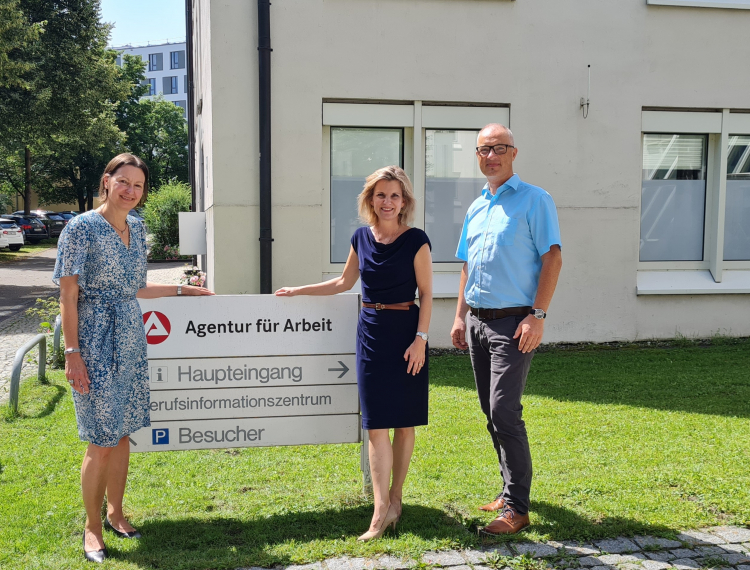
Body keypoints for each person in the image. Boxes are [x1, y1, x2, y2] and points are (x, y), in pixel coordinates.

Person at [54, 153, 213, 563]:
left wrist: (184, 291)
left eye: (138, 185)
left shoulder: (137, 228)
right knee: (101, 439)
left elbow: (136, 289)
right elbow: (68, 295)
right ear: (107, 181)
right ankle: (91, 529)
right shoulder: (80, 229)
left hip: (129, 336)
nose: (130, 190)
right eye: (123, 181)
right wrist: (73, 353)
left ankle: (116, 513)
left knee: (124, 432)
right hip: (91, 340)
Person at [276, 165, 432, 541]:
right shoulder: (360, 237)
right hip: (371, 334)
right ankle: (380, 510)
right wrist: (299, 290)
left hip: (407, 334)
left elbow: (426, 294)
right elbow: (344, 282)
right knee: (376, 423)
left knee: (404, 423)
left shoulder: (417, 239)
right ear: (371, 199)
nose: (388, 202)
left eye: (395, 195)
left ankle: (396, 500)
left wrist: (421, 339)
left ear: (404, 200)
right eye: (381, 194)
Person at [450, 124, 562, 535]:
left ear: (514, 152)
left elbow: (553, 259)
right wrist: (460, 316)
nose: (490, 156)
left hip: (515, 323)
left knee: (504, 410)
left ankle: (517, 508)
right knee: (489, 410)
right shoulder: (476, 206)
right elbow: (467, 266)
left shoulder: (536, 200)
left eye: (498, 148)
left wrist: (538, 315)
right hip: (478, 321)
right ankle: (508, 487)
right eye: (483, 150)